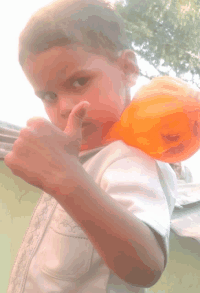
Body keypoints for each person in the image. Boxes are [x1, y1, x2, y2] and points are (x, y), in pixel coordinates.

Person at [5, 0, 177, 292]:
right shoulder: (78, 155)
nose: (64, 107)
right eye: (48, 96)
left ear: (127, 68)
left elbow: (146, 266)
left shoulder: (133, 159)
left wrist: (64, 178)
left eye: (78, 82)